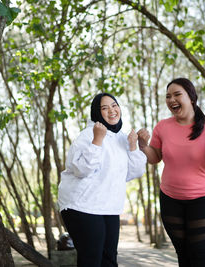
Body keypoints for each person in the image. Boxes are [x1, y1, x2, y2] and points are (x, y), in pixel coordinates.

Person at [137, 78, 205, 267]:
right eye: (168, 96)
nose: (171, 99)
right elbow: (154, 158)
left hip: (202, 199)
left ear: (191, 97)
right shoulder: (162, 127)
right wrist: (142, 145)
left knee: (200, 254)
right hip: (170, 199)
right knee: (183, 254)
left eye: (177, 94)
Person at [58, 92, 147, 267]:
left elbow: (134, 172)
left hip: (109, 207)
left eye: (114, 105)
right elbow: (81, 170)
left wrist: (133, 146)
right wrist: (97, 140)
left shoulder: (122, 138)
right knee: (91, 260)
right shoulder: (86, 136)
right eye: (104, 108)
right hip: (81, 205)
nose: (111, 110)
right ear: (96, 113)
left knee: (109, 260)